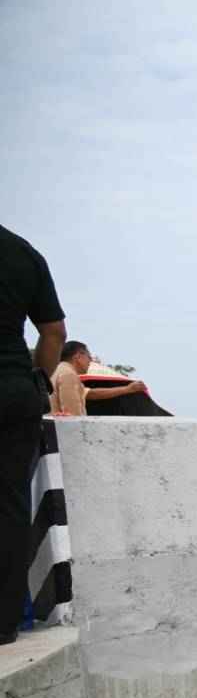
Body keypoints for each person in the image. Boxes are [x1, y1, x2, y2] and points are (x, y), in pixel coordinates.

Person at [0, 225, 66, 645]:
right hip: (13, 391)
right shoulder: (22, 251)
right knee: (10, 506)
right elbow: (54, 332)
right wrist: (39, 378)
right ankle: (4, 622)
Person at [49, 341, 146, 416]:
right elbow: (72, 416)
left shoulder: (58, 371)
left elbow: (91, 393)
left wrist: (128, 389)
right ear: (78, 356)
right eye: (88, 356)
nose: (90, 360)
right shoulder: (68, 374)